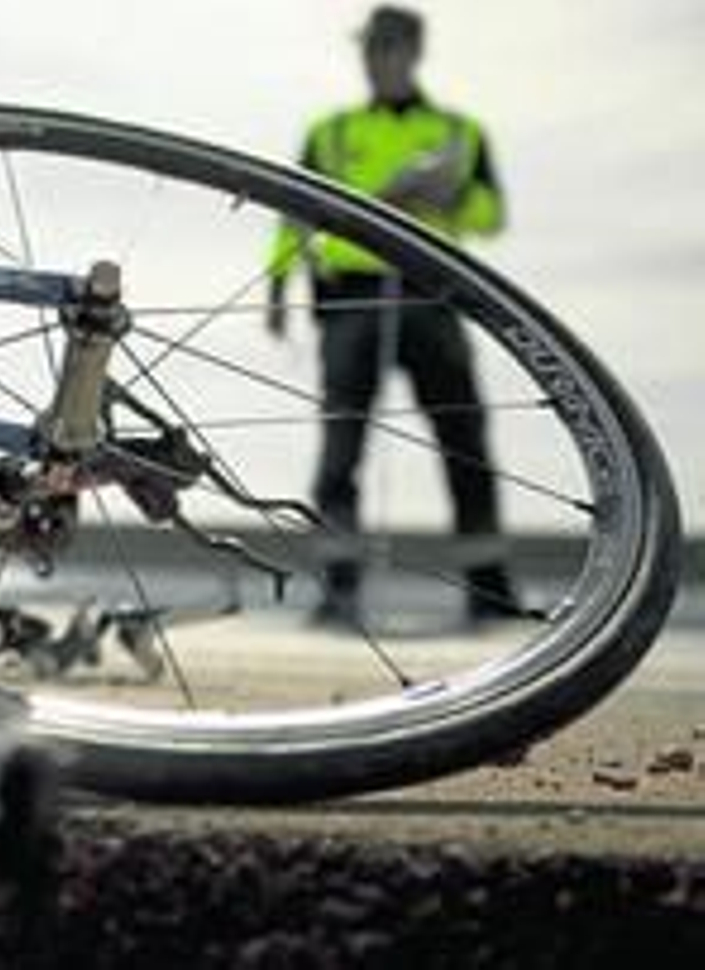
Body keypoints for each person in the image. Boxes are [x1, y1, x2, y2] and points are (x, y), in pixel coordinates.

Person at [266, 4, 524, 627]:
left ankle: (489, 591)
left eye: (387, 46)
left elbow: (491, 218)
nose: (375, 57)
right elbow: (294, 217)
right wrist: (278, 289)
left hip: (432, 296)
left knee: (465, 443)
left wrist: (453, 191)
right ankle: (338, 588)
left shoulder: (461, 132)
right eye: (369, 47)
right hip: (350, 300)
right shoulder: (329, 130)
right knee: (341, 450)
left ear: (413, 51)